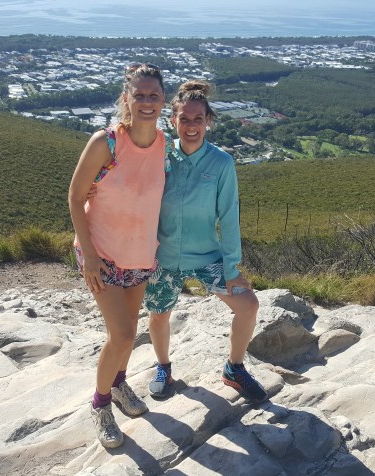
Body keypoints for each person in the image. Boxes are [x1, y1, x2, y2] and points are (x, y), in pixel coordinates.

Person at [143, 80, 268, 403]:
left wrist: (231, 268)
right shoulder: (159, 155)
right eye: (184, 119)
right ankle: (163, 367)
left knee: (248, 306)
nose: (191, 126)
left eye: (198, 119)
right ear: (173, 120)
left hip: (206, 256)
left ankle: (234, 368)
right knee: (159, 314)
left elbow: (229, 215)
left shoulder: (221, 163)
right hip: (163, 256)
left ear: (208, 121)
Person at [68, 63, 170, 449]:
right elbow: (75, 197)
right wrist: (90, 257)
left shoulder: (163, 145)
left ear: (163, 100)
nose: (146, 101)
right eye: (139, 95)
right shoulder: (106, 143)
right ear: (126, 98)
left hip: (140, 253)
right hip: (102, 253)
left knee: (129, 331)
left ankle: (119, 383)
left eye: (153, 95)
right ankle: (100, 404)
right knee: (123, 334)